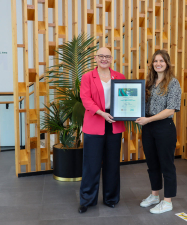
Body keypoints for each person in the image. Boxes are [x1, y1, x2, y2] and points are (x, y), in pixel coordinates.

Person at [78, 47, 126, 213]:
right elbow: (86, 99)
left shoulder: (120, 77)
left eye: (107, 56)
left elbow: (125, 98)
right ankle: (87, 200)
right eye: (101, 56)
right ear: (96, 58)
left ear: (111, 59)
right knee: (91, 165)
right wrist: (102, 113)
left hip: (114, 122)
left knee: (112, 164)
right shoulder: (87, 77)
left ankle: (111, 198)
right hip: (95, 121)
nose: (104, 59)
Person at [135, 50, 181, 214]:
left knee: (167, 165)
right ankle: (155, 195)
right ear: (152, 64)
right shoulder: (148, 83)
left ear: (167, 63)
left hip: (164, 128)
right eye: (155, 61)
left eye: (161, 61)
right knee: (152, 164)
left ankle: (167, 201)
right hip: (148, 128)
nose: (158, 63)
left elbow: (170, 110)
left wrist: (148, 120)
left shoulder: (173, 83)